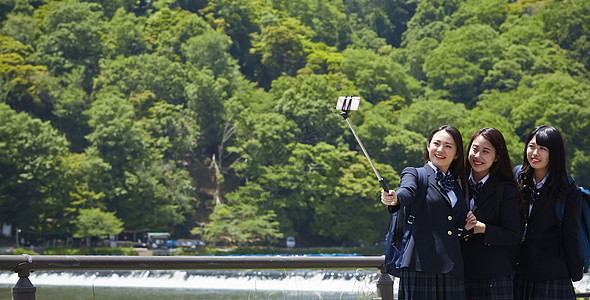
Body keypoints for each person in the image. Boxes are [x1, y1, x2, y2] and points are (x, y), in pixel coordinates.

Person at [381, 125, 468, 299]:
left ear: (457, 154)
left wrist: (468, 222)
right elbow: (407, 191)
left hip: (452, 269)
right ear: (428, 145)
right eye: (436, 143)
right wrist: (395, 198)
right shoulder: (415, 174)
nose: (440, 149)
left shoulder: (457, 184)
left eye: (448, 146)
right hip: (420, 266)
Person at [513, 125, 583, 300]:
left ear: (555, 153)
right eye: (531, 147)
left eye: (542, 149)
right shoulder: (518, 176)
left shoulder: (568, 188)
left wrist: (575, 272)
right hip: (519, 270)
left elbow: (570, 233)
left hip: (552, 272)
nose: (535, 153)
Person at [460, 128, 523, 300]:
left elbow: (513, 235)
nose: (477, 156)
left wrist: (483, 229)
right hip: (459, 274)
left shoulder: (506, 190)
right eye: (474, 149)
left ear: (496, 157)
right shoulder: (457, 183)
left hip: (494, 277)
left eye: (485, 151)